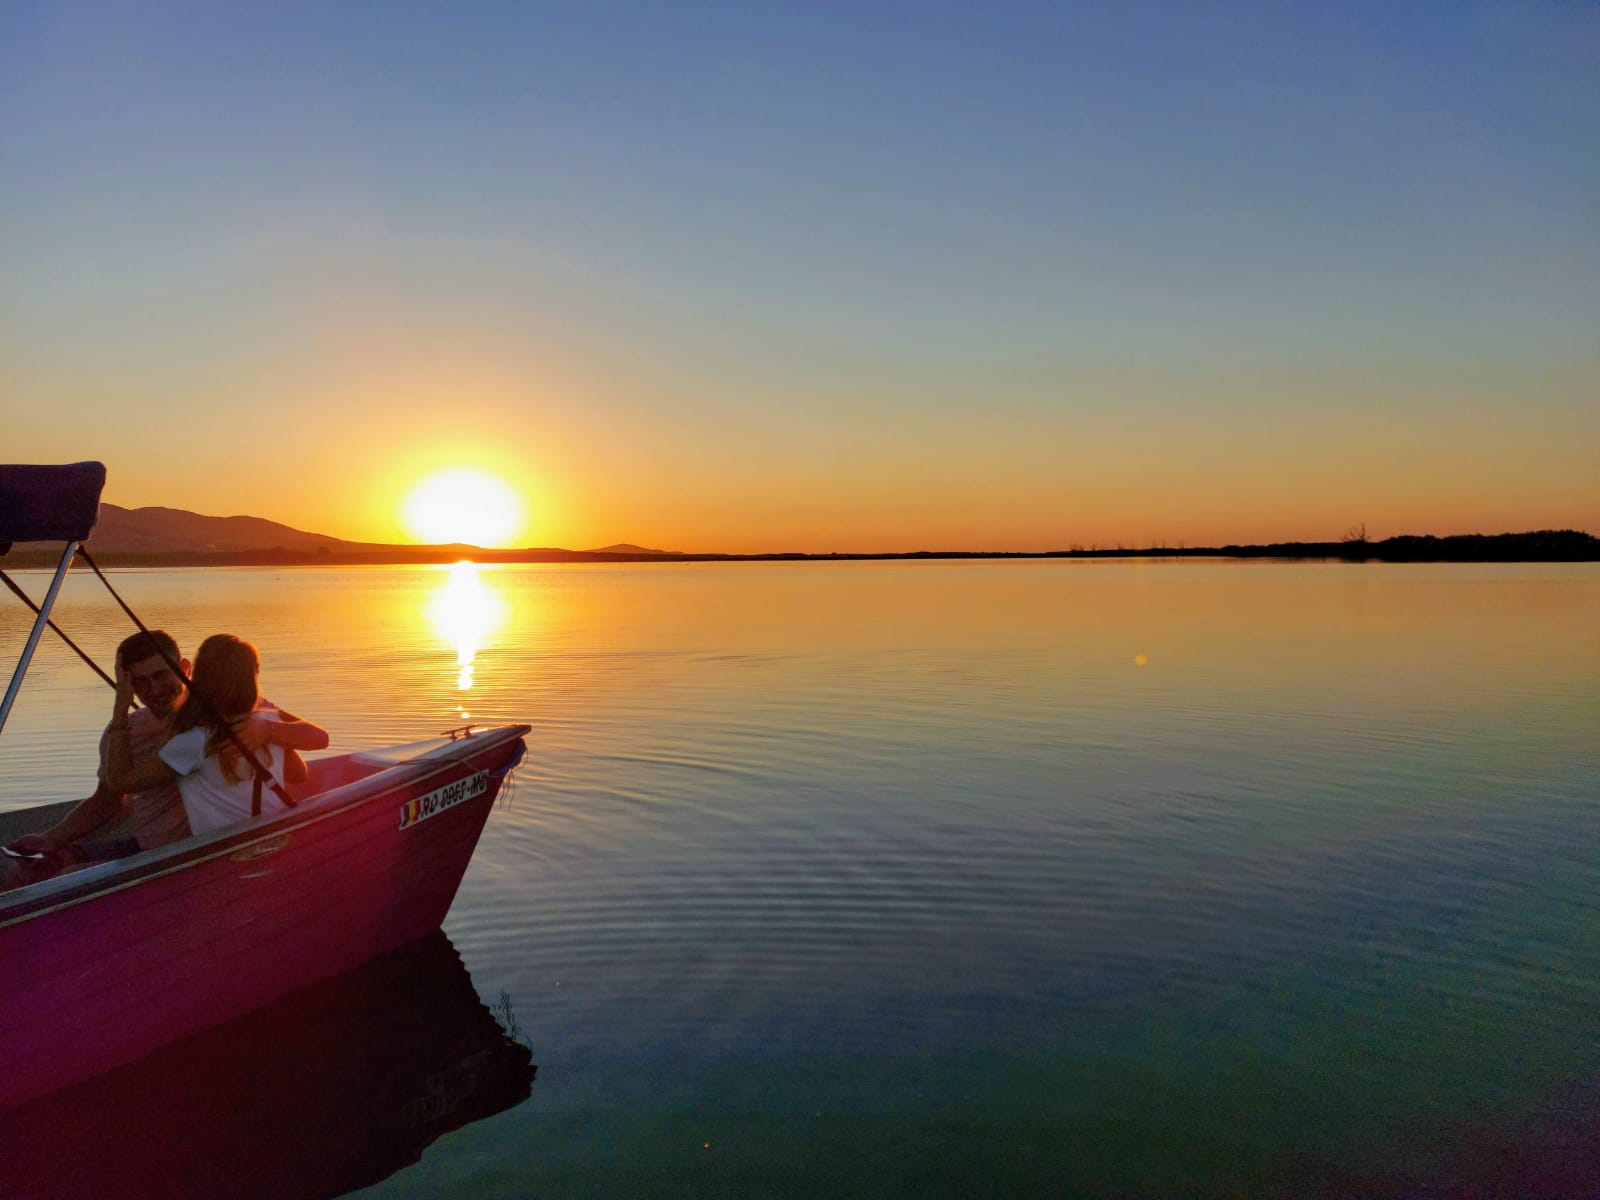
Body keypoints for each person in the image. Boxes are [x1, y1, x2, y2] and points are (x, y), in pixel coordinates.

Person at [105, 634, 329, 836]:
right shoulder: (270, 722)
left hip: (224, 851)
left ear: (197, 676)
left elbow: (119, 782)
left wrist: (120, 707)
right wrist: (268, 735)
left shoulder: (193, 742)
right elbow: (299, 773)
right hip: (275, 837)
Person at [5, 630, 194, 870]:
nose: (154, 689)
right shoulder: (124, 732)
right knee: (29, 870)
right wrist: (51, 838)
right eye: (139, 682)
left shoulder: (214, 722)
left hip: (198, 849)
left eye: (161, 675)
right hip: (145, 848)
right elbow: (107, 800)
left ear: (185, 668)